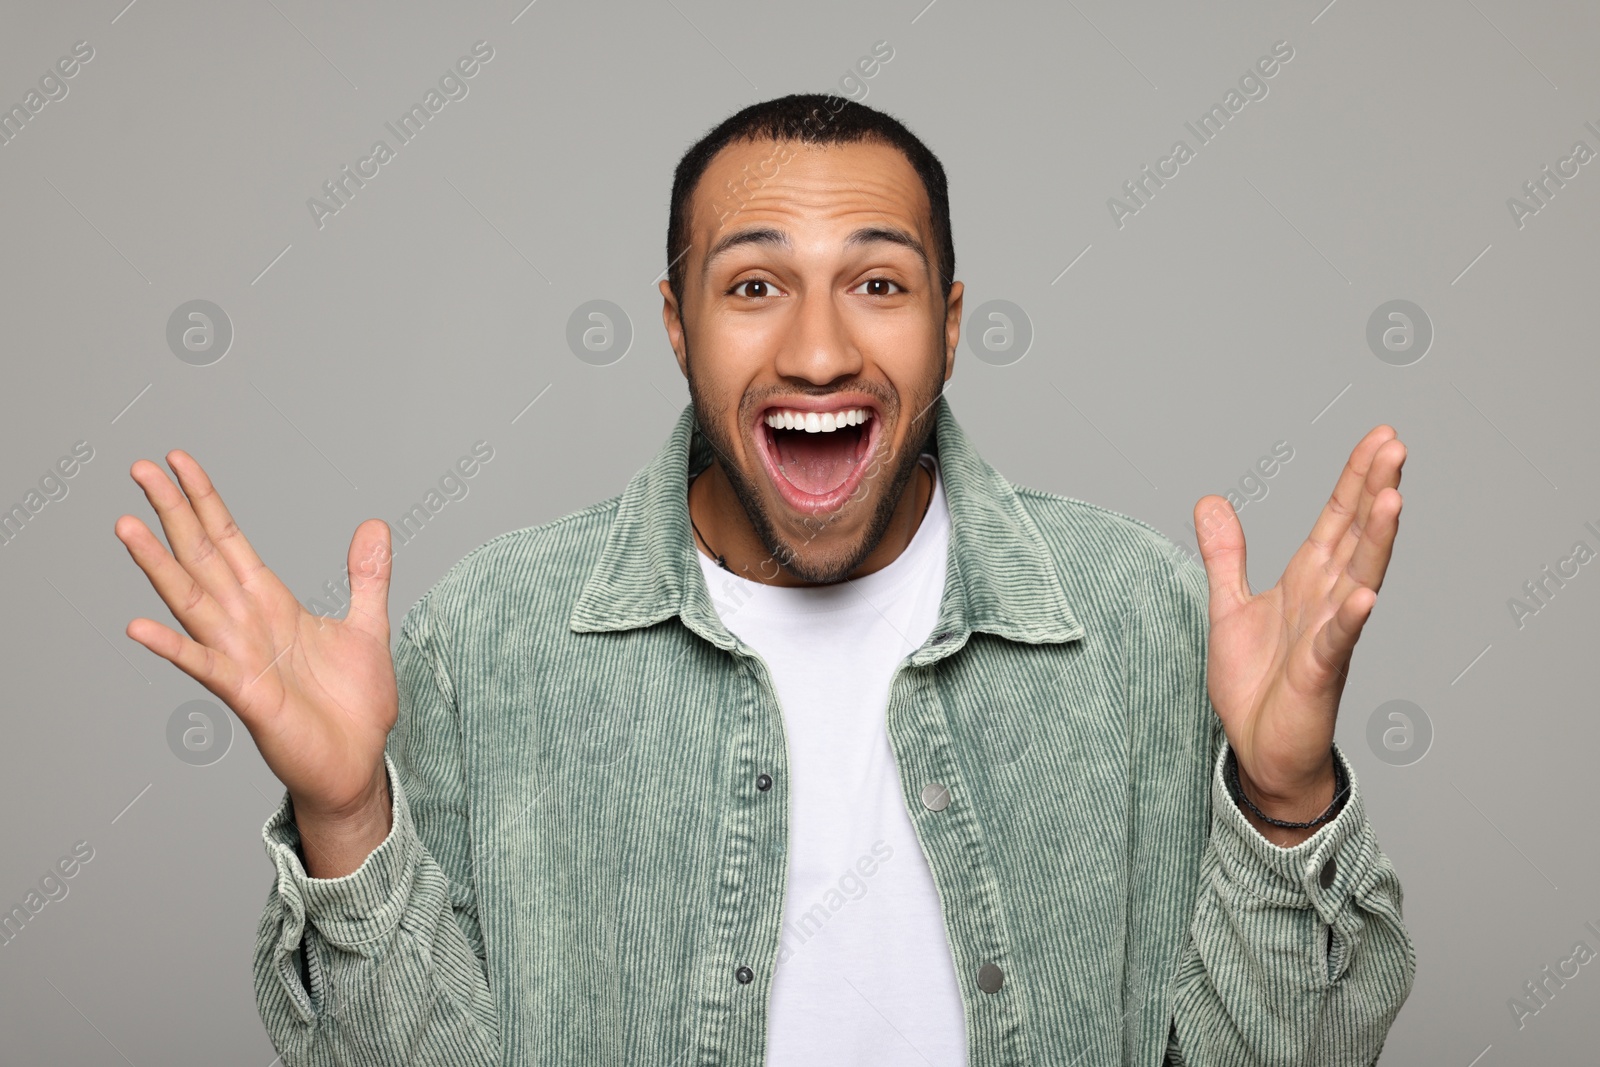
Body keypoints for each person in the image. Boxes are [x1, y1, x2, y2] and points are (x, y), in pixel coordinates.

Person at [116, 94, 1415, 1065]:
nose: (816, 347)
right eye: (753, 286)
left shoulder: (1134, 619)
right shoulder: (494, 640)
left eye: (877, 282)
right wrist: (346, 821)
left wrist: (1286, 799)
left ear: (949, 323)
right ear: (678, 325)